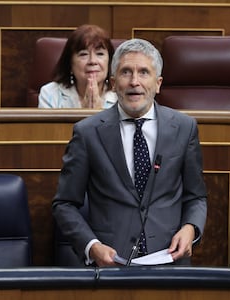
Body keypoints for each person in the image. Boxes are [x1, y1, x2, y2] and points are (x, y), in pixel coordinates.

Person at [52, 38, 207, 267]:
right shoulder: (87, 133)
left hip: (170, 262)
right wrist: (92, 246)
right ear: (113, 83)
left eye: (144, 72)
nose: (135, 81)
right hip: (111, 264)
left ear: (158, 83)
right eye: (126, 72)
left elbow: (196, 196)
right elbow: (64, 204)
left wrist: (190, 228)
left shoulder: (184, 128)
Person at [38, 24, 117, 109]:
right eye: (83, 54)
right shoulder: (50, 93)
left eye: (100, 54)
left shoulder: (121, 94)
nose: (92, 61)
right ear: (70, 63)